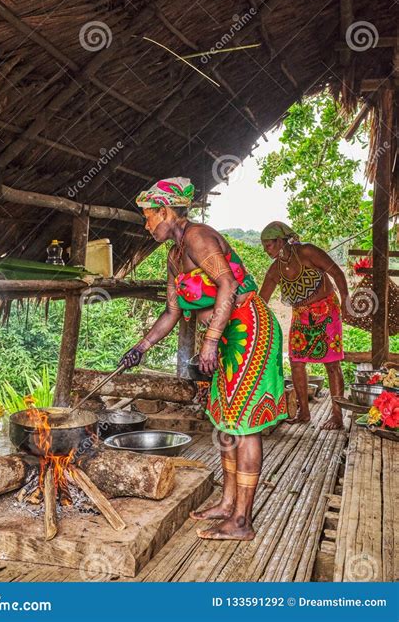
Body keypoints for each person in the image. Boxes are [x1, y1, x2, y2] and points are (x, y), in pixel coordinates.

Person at [119, 178, 286, 541]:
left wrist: (209, 341)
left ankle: (242, 521)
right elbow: (172, 311)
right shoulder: (174, 256)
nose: (146, 225)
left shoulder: (198, 237)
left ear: (165, 211)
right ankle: (228, 505)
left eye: (149, 217)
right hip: (226, 338)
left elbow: (227, 284)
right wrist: (141, 347)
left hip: (250, 331)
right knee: (227, 420)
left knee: (245, 423)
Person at [259, 221, 350, 431]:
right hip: (301, 316)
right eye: (264, 246)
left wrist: (345, 301)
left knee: (332, 363)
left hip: (327, 310)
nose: (265, 250)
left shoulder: (307, 252)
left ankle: (337, 416)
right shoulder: (275, 270)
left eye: (269, 245)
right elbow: (261, 300)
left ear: (280, 241)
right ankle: (304, 412)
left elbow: (337, 273)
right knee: (297, 362)